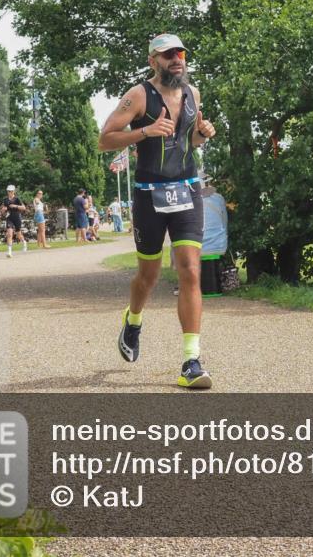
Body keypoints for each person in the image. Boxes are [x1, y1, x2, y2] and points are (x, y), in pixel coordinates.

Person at [98, 32, 216, 389]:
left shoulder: (193, 94)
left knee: (190, 272)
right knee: (147, 277)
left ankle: (191, 361)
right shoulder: (138, 96)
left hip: (187, 190)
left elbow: (188, 141)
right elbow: (105, 139)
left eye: (180, 52)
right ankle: (133, 321)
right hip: (150, 195)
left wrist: (203, 134)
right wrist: (145, 131)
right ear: (153, 61)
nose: (176, 59)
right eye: (167, 55)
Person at [2, 184, 28, 257]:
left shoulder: (17, 199)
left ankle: (24, 243)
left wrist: (15, 206)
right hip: (9, 218)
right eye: (8, 191)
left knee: (18, 234)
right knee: (9, 234)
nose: (9, 192)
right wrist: (3, 210)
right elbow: (4, 209)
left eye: (11, 191)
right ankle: (9, 252)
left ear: (14, 191)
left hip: (17, 217)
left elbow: (24, 208)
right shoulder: (5, 200)